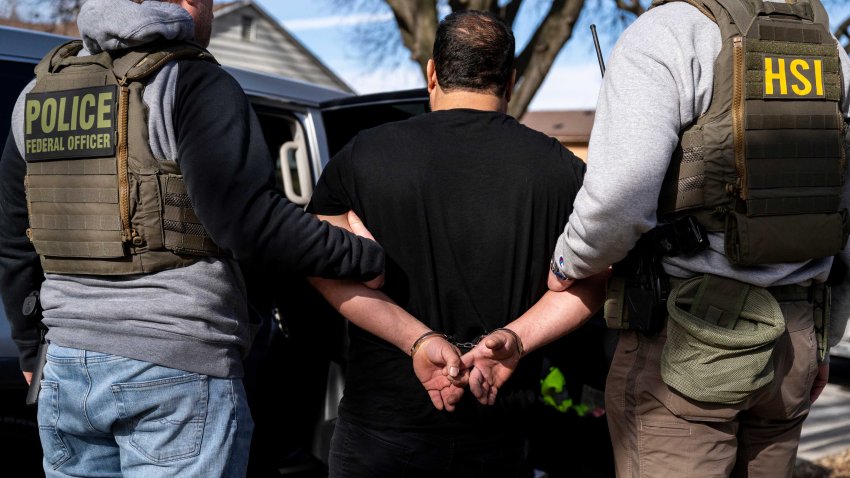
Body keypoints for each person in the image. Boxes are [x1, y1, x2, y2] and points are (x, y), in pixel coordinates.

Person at [0, 0, 385, 476]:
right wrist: (364, 255)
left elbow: (16, 237)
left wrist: (31, 349)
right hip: (174, 367)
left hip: (66, 368)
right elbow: (249, 223)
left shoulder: (38, 92)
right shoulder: (193, 81)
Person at [547, 0, 850, 476]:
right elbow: (842, 210)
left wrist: (568, 263)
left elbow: (617, 202)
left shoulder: (669, 32)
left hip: (689, 341)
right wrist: (824, 340)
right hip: (795, 337)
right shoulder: (828, 51)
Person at [306, 10, 608, 477]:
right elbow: (595, 279)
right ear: (511, 82)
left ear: (432, 73)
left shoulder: (363, 155)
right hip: (500, 423)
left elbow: (318, 260)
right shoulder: (562, 170)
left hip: (382, 426)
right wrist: (517, 339)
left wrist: (415, 337)